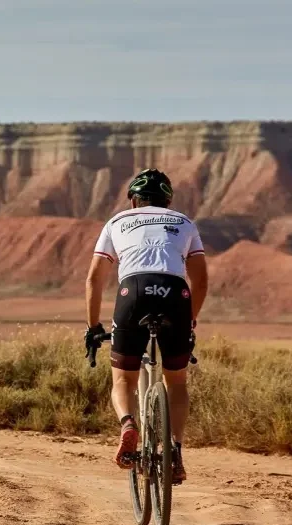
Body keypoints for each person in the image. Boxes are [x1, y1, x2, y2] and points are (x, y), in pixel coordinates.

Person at [83, 168, 208, 484]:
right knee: (176, 382)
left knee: (124, 378)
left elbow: (94, 279)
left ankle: (128, 424)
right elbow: (201, 279)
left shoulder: (117, 222)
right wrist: (189, 320)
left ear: (133, 200)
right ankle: (175, 452)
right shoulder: (184, 223)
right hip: (175, 295)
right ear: (167, 200)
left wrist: (93, 326)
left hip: (133, 293)